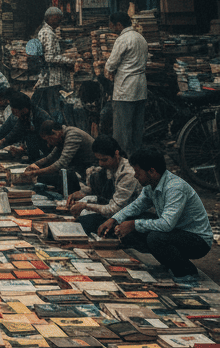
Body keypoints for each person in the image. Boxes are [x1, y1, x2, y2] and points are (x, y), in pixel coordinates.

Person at [99, 146, 214, 285]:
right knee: (131, 225)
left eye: (137, 172)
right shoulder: (151, 185)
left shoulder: (174, 188)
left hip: (197, 240)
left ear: (152, 171)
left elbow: (166, 224)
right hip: (176, 232)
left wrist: (134, 224)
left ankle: (186, 271)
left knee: (155, 237)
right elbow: (136, 206)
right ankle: (170, 262)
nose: (135, 176)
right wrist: (114, 219)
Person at [66, 134, 139, 235]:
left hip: (130, 216)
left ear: (116, 154)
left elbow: (114, 209)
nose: (101, 163)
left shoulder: (127, 174)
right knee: (80, 223)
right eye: (99, 160)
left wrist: (85, 205)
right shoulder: (110, 168)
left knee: (83, 225)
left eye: (104, 160)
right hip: (115, 212)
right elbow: (94, 188)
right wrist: (79, 194)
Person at [105, 11, 148, 157]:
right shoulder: (140, 38)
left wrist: (107, 70)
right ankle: (136, 163)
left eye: (112, 25)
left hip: (125, 90)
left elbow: (111, 64)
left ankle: (123, 163)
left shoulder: (123, 39)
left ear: (118, 24)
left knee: (122, 132)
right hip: (140, 88)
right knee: (136, 131)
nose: (111, 28)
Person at [0, 91, 51, 164]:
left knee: (31, 135)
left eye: (14, 111)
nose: (13, 113)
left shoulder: (42, 118)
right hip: (37, 153)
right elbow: (13, 134)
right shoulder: (24, 116)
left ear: (23, 109)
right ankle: (32, 160)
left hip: (48, 153)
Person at [25, 121, 95, 191]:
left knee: (48, 177)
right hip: (81, 167)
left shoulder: (72, 135)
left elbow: (61, 164)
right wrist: (34, 164)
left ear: (55, 132)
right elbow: (50, 157)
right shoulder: (61, 137)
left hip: (92, 169)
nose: (48, 144)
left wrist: (35, 173)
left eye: (49, 139)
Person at [33, 5, 69, 113]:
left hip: (49, 77)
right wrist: (70, 60)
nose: (59, 21)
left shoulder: (47, 32)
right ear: (48, 18)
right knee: (53, 107)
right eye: (57, 18)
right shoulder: (48, 33)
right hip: (51, 78)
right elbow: (49, 57)